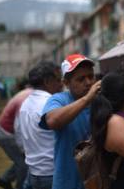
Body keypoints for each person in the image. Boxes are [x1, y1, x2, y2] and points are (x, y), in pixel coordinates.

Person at [39, 54, 100, 189]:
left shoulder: (100, 100)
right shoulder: (58, 100)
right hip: (68, 182)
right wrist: (87, 99)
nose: (88, 82)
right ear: (66, 83)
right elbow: (52, 121)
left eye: (91, 76)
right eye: (81, 79)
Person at [18, 61, 63, 189]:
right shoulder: (50, 105)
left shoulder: (25, 104)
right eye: (58, 80)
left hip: (34, 172)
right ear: (47, 81)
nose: (61, 84)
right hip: (52, 173)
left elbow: (19, 134)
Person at [0, 85, 32, 189]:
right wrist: (23, 148)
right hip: (6, 133)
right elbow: (18, 126)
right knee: (23, 164)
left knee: (22, 160)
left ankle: (4, 179)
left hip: (5, 131)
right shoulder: (28, 98)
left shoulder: (28, 92)